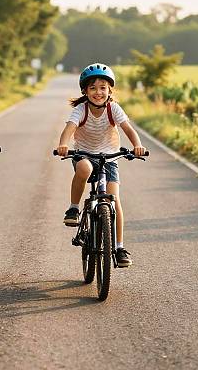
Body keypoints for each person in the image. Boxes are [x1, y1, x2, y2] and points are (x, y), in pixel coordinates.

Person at [56, 63, 146, 267]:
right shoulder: (81, 109)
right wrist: (63, 144)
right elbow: (69, 129)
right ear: (85, 91)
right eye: (93, 88)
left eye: (103, 87)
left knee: (114, 199)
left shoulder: (113, 108)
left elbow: (128, 129)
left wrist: (137, 145)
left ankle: (119, 247)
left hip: (109, 157)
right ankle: (73, 208)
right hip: (85, 154)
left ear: (110, 90)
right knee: (84, 169)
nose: (98, 92)